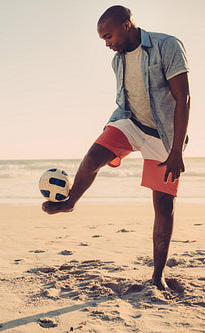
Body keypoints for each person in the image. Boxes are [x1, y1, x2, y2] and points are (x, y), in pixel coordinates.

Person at [42, 5, 190, 291]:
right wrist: (112, 129)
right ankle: (70, 202)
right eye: (103, 39)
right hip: (131, 122)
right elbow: (127, 99)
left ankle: (157, 275)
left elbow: (183, 98)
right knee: (93, 156)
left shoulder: (167, 46)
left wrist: (176, 152)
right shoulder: (117, 61)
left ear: (126, 25)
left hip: (165, 135)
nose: (107, 44)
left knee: (163, 205)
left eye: (108, 36)